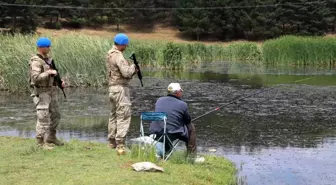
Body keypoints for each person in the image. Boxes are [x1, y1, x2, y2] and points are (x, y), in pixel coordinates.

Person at [28, 37, 65, 149]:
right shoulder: (36, 61)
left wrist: (59, 82)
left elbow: (53, 75)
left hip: (51, 92)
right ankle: (40, 143)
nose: (49, 48)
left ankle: (51, 137)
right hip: (41, 92)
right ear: (41, 47)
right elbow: (35, 78)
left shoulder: (48, 60)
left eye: (49, 46)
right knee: (43, 117)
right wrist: (48, 72)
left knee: (56, 115)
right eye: (47, 46)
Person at [106, 33, 138, 155]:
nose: (126, 46)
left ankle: (111, 141)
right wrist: (133, 67)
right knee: (123, 115)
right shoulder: (118, 56)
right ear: (122, 44)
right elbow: (125, 73)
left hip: (112, 88)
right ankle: (120, 144)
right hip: (120, 89)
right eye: (125, 44)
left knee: (113, 115)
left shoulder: (109, 54)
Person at [150, 83, 197, 158]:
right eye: (181, 92)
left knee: (167, 126)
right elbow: (188, 120)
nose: (181, 93)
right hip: (171, 133)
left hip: (156, 133)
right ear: (178, 93)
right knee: (191, 128)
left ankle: (167, 153)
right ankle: (191, 156)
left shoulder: (159, 100)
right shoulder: (182, 104)